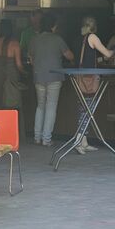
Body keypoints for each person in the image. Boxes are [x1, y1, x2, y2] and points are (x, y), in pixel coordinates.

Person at [29, 13, 74, 147]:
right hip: (54, 77)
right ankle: (46, 139)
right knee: (51, 107)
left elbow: (31, 58)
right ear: (53, 26)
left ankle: (37, 137)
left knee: (40, 106)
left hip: (39, 76)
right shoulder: (57, 39)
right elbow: (69, 55)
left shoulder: (34, 39)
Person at [75, 16, 115, 155]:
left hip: (80, 77)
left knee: (83, 109)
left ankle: (84, 142)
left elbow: (88, 58)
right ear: (94, 26)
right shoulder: (92, 37)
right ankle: (78, 141)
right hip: (89, 79)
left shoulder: (81, 38)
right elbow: (107, 54)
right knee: (88, 111)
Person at [0, 19, 26, 110]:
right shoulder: (15, 44)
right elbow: (19, 65)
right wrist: (25, 73)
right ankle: (11, 116)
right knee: (12, 98)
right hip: (11, 74)